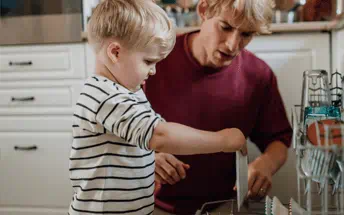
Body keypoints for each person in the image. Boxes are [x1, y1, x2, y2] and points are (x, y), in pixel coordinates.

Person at [68, 0, 247, 214]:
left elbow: (149, 132)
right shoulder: (103, 96)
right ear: (115, 53)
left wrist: (146, 163)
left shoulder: (128, 91)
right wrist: (223, 140)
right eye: (148, 62)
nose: (153, 71)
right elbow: (159, 135)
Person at [145, 0, 293, 214]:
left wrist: (266, 164)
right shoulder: (153, 60)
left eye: (246, 34)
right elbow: (116, 133)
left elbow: (278, 139)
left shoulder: (258, 75)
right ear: (203, 10)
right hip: (154, 205)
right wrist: (147, 159)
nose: (233, 45)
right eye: (225, 27)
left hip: (226, 206)